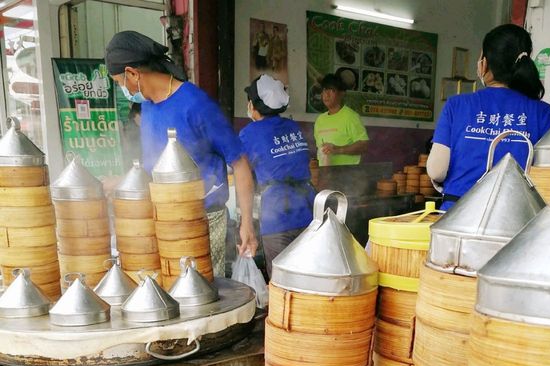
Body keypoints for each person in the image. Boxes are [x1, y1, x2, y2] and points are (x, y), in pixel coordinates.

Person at [104, 30, 257, 278]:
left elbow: (240, 163)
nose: (124, 89)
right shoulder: (147, 106)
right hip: (164, 217)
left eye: (120, 83)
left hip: (203, 218)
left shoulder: (196, 104)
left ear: (133, 73)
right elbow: (155, 164)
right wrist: (123, 181)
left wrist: (247, 224)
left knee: (200, 295)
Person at [427, 24, 550, 210]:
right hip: (516, 219)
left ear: (485, 63)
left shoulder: (457, 105)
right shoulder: (545, 113)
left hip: (457, 216)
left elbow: (437, 170)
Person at [240, 75, 314, 277]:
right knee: (308, 276)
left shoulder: (249, 133)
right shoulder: (293, 127)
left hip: (277, 216)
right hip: (308, 210)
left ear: (253, 105)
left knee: (283, 281)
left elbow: (240, 172)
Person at [313, 73, 368, 166]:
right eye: (324, 90)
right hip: (325, 175)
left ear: (341, 93)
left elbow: (364, 145)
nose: (326, 94)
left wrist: (337, 150)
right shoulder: (320, 120)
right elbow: (320, 150)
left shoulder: (351, 117)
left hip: (346, 176)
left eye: (331, 90)